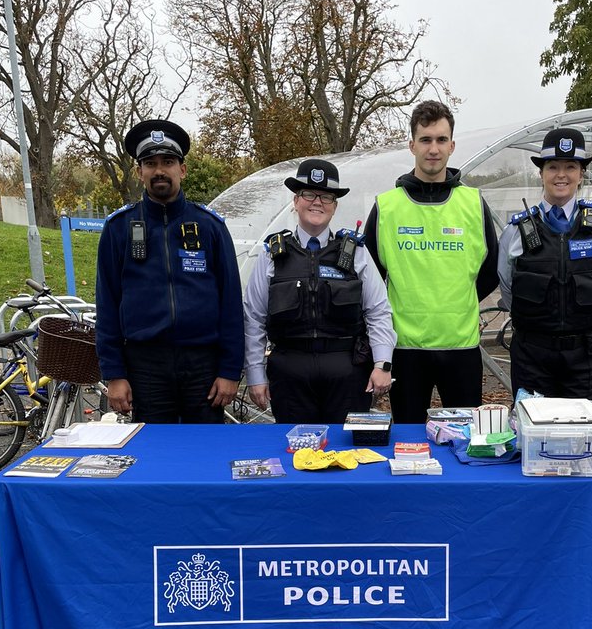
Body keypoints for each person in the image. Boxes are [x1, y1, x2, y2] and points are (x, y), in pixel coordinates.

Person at [94, 119, 244, 424]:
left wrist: (230, 371)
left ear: (182, 169)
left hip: (202, 363)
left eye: (168, 162)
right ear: (139, 172)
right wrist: (114, 375)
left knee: (206, 453)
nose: (159, 170)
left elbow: (231, 303)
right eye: (150, 163)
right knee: (153, 456)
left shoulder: (210, 227)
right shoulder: (118, 228)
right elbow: (107, 305)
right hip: (145, 365)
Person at [364, 100, 498, 423]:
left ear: (452, 145)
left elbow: (490, 272)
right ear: (412, 145)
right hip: (406, 351)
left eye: (441, 140)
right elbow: (370, 284)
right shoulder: (386, 207)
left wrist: (456, 305)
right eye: (425, 140)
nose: (433, 148)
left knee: (465, 443)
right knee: (409, 445)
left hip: (461, 350)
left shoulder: (473, 203)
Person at [244, 158, 395, 423]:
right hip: (290, 372)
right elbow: (253, 318)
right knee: (295, 452)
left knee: (349, 454)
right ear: (295, 200)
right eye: (309, 194)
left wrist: (382, 364)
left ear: (335, 207)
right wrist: (256, 375)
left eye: (326, 197)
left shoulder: (355, 252)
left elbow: (378, 311)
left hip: (347, 370)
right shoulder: (272, 254)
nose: (317, 202)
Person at [497, 127, 592, 407]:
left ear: (582, 175)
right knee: (532, 434)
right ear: (541, 173)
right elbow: (508, 287)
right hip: (533, 354)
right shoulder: (517, 230)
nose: (561, 174)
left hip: (585, 355)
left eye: (570, 166)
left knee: (581, 435)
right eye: (553, 166)